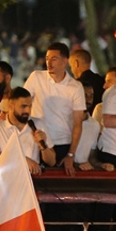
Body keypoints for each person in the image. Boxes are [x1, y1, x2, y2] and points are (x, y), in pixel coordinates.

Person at [23, 42, 86, 175]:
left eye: (54, 59)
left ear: (65, 61)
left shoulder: (75, 87)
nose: (49, 63)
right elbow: (22, 102)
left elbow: (78, 124)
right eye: (47, 58)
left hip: (62, 142)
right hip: (38, 140)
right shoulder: (36, 77)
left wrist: (70, 155)